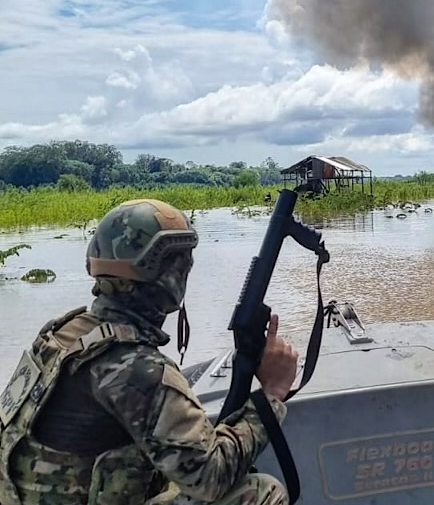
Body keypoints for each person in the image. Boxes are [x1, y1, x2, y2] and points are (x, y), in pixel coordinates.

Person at [0, 199, 299, 505]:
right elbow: (210, 478)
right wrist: (272, 394)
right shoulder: (137, 369)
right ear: (167, 275)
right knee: (262, 491)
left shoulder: (61, 333)